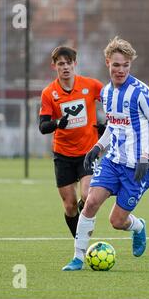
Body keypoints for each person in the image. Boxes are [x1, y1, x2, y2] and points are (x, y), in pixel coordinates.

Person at [62, 37, 149, 271]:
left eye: (126, 65)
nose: (121, 70)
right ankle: (78, 258)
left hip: (138, 167)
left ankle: (138, 227)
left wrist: (146, 155)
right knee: (90, 202)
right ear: (107, 62)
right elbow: (113, 126)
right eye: (116, 65)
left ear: (130, 65)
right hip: (113, 162)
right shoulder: (107, 93)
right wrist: (98, 147)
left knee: (116, 222)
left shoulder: (141, 93)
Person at [39, 46, 104, 238]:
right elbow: (43, 126)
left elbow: (112, 101)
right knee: (69, 206)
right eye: (61, 64)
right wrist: (58, 123)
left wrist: (107, 124)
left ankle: (83, 238)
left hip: (87, 151)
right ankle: (80, 240)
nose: (65, 67)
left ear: (75, 64)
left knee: (87, 196)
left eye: (69, 63)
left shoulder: (91, 85)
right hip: (63, 155)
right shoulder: (49, 93)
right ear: (54, 66)